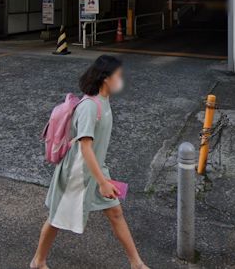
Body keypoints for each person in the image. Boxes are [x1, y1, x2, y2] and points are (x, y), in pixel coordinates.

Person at [30, 55, 150, 269]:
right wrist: (103, 182)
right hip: (77, 173)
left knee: (115, 212)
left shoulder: (104, 101)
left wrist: (102, 177)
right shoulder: (89, 107)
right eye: (118, 76)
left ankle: (137, 264)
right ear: (106, 78)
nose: (121, 80)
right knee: (56, 218)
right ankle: (38, 261)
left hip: (95, 169)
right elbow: (85, 148)